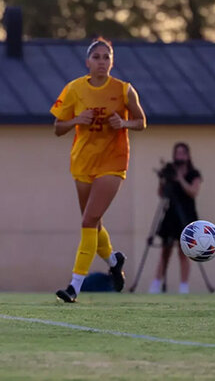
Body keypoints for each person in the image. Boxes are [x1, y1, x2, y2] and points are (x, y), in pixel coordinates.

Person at [50, 37, 147, 303]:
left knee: (87, 221)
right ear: (88, 62)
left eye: (107, 57)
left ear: (112, 62)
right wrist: (76, 120)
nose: (102, 62)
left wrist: (123, 124)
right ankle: (114, 260)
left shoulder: (124, 90)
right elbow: (57, 127)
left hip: (113, 162)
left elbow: (141, 122)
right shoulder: (74, 89)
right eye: (97, 57)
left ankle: (74, 286)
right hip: (82, 161)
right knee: (93, 221)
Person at [149, 142, 202, 294]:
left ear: (187, 155)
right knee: (165, 250)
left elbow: (193, 191)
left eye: (182, 153)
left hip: (186, 214)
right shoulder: (170, 170)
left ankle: (184, 286)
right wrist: (163, 179)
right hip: (171, 213)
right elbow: (161, 194)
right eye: (177, 153)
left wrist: (180, 179)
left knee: (184, 250)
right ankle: (156, 284)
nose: (179, 156)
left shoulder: (194, 174)